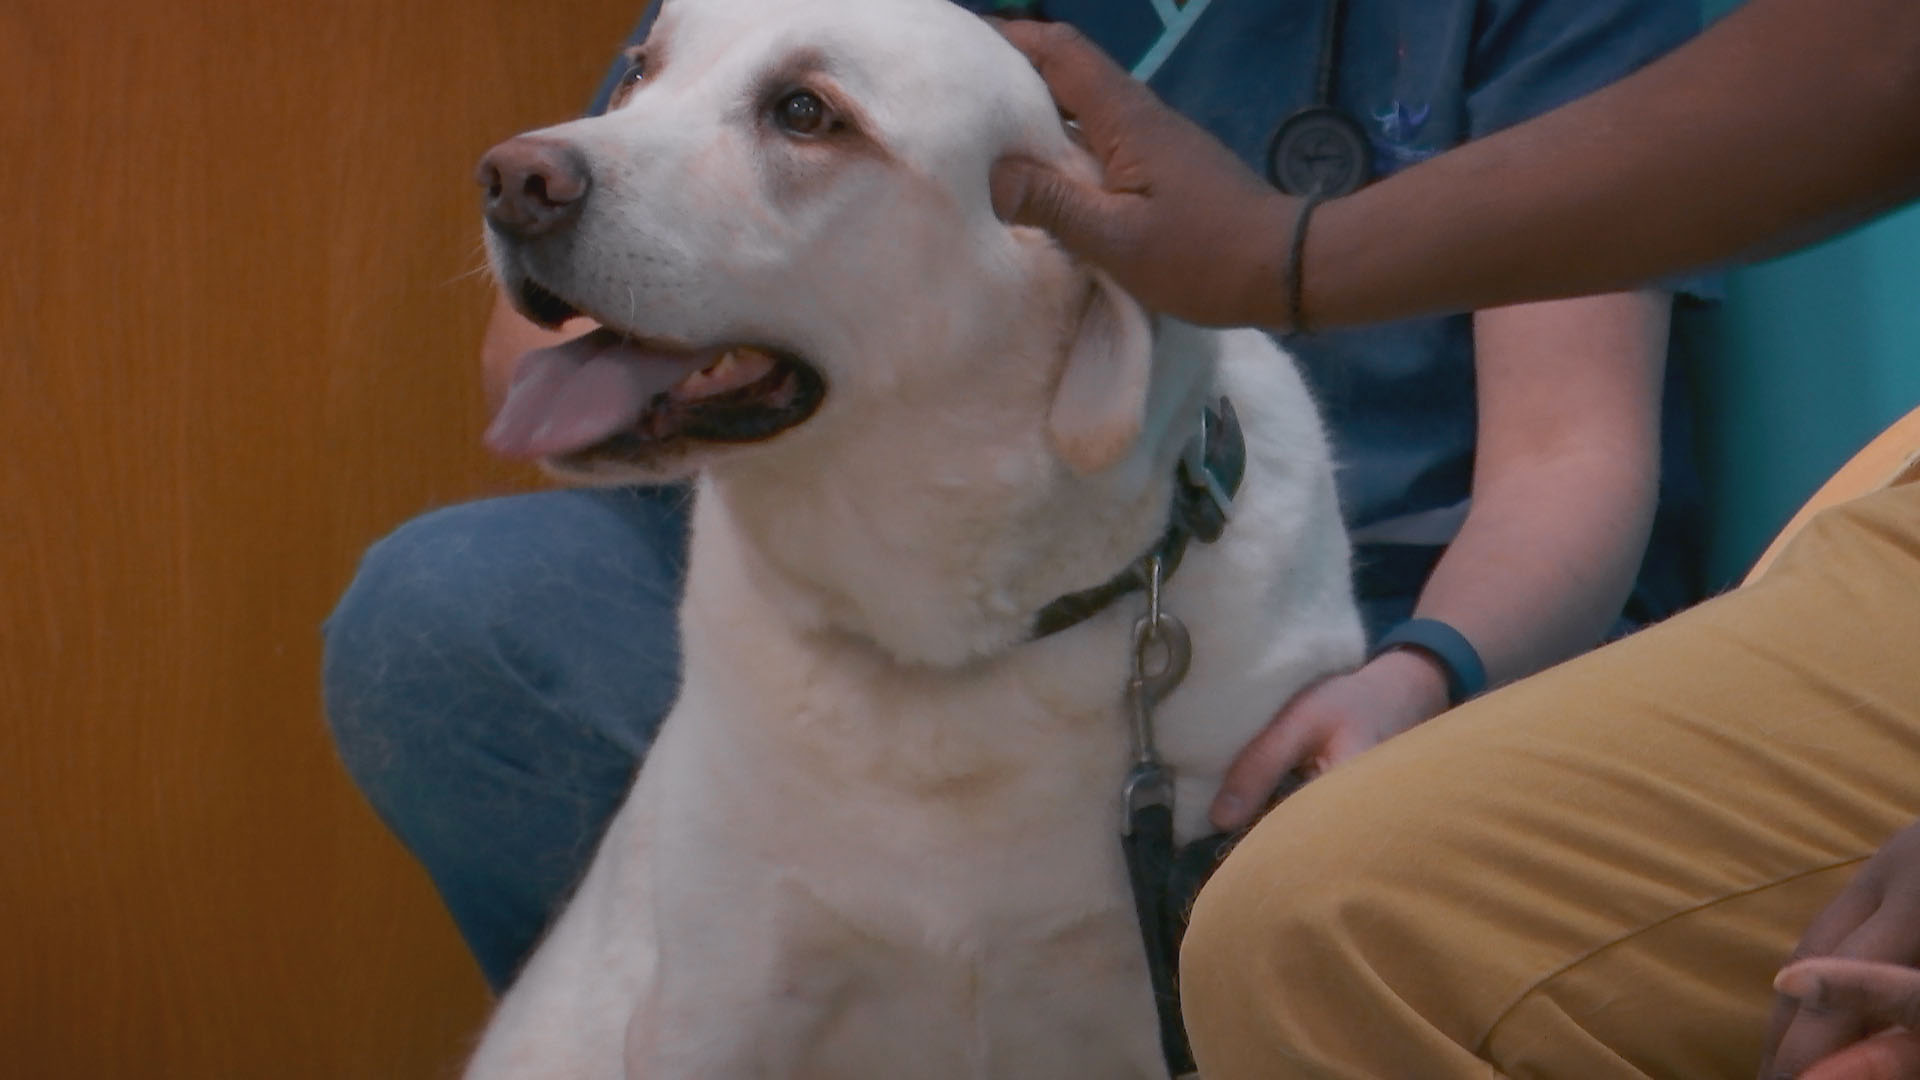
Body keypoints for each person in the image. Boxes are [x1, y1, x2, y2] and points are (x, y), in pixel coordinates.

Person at [324, 0, 1711, 993]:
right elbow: (551, 314)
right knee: (452, 619)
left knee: (1318, 857)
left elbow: (1570, 459)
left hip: (1346, 652)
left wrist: (1420, 678)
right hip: (889, 600)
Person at [979, 2, 1920, 1077]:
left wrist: (1423, 670)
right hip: (980, 678)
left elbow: (1570, 455)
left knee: (1302, 926)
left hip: (1399, 661)